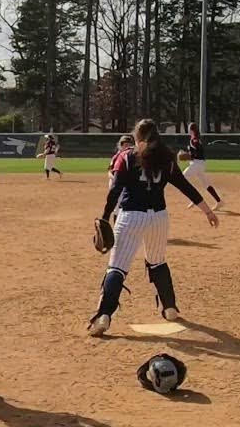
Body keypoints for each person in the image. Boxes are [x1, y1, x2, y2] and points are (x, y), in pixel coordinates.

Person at [88, 118, 219, 337]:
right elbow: (185, 186)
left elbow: (114, 193)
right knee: (157, 262)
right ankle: (169, 308)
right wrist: (207, 211)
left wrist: (104, 218)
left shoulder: (126, 157)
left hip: (131, 217)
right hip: (159, 218)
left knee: (117, 268)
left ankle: (104, 316)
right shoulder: (166, 158)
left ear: (137, 137)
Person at [182, 124, 223, 211]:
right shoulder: (196, 139)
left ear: (191, 130)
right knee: (206, 184)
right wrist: (190, 154)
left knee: (183, 178)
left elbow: (198, 152)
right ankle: (219, 201)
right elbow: (197, 151)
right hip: (200, 164)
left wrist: (189, 155)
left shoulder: (195, 140)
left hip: (196, 164)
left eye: (189, 129)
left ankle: (194, 198)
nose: (188, 131)